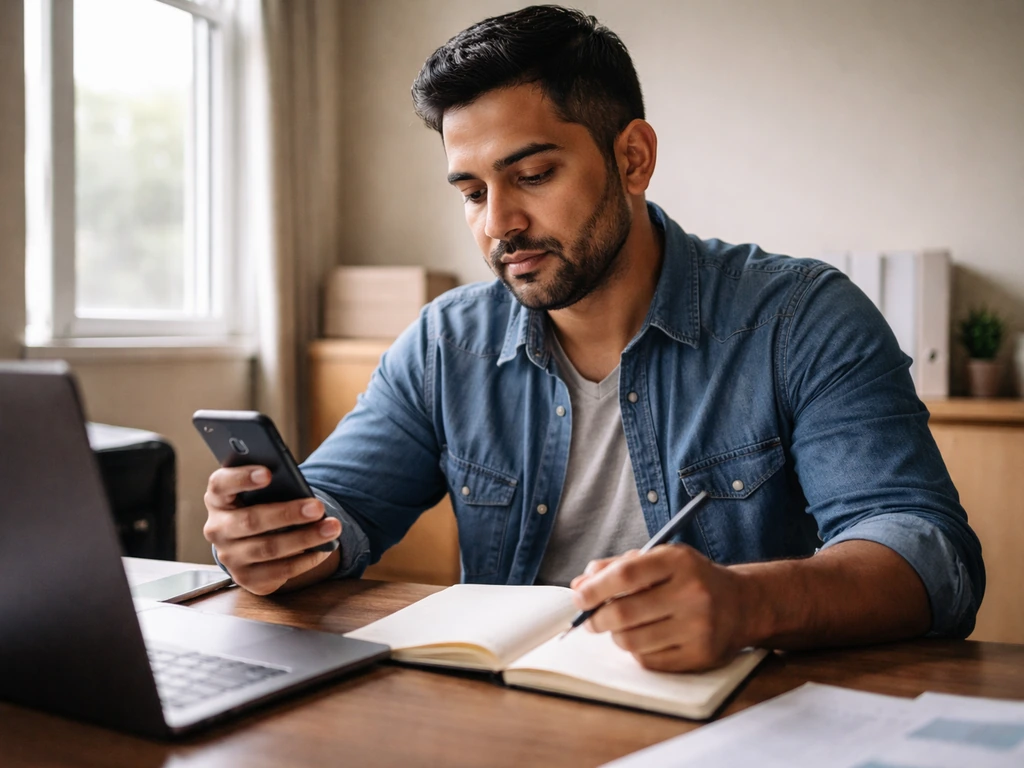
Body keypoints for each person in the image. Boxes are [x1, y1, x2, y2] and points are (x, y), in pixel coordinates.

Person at [203, 5, 984, 672]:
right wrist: (274, 539)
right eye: (473, 191)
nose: (498, 223)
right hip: (515, 719)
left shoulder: (800, 317)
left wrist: (747, 603)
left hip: (742, 717)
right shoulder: (447, 341)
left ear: (633, 158)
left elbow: (927, 556)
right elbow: (341, 508)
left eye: (533, 175)